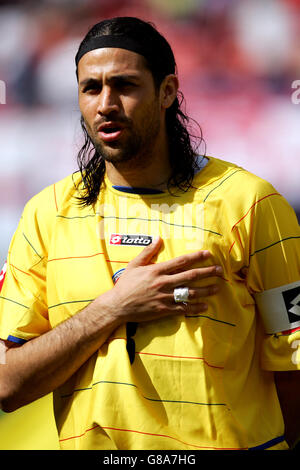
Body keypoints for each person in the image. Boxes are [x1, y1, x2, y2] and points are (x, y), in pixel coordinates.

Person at [0, 17, 300, 451]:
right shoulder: (45, 215)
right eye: (91, 88)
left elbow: (294, 365)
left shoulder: (251, 203)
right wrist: (114, 308)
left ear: (167, 91)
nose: (106, 103)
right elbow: (8, 385)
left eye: (124, 85)